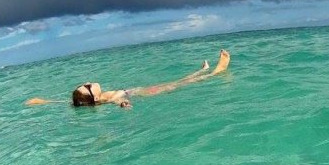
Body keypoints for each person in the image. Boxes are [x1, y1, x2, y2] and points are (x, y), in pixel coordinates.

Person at [25, 49, 230, 108]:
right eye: (88, 86)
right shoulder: (107, 100)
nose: (89, 82)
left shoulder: (91, 101)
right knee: (180, 84)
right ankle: (216, 72)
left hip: (136, 90)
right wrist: (124, 104)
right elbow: (120, 103)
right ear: (95, 98)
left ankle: (203, 68)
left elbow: (69, 102)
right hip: (142, 94)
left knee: (177, 81)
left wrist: (42, 101)